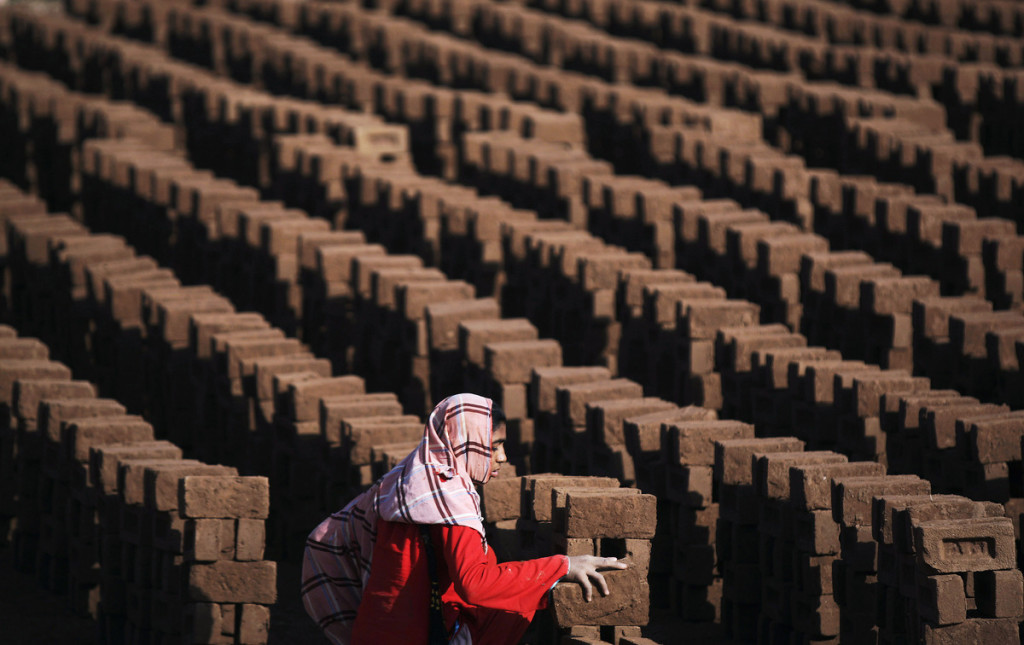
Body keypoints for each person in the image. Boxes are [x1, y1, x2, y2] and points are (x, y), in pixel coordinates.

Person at [302, 393, 627, 645]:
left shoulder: (409, 478)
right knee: (512, 604)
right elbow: (475, 585)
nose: (503, 457)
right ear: (464, 442)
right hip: (416, 635)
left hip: (376, 630)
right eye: (494, 446)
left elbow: (326, 535)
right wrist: (563, 566)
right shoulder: (450, 502)